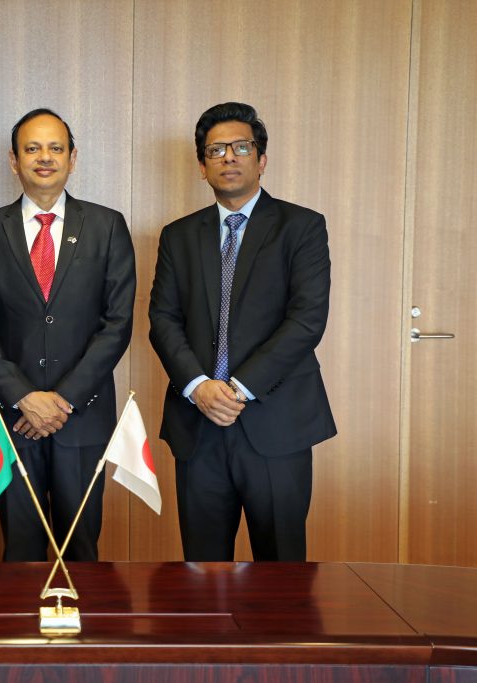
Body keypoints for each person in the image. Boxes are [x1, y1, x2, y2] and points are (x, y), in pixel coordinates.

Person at [148, 101, 337, 562]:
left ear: (261, 159)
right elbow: (163, 319)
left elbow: (306, 320)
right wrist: (199, 386)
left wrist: (237, 389)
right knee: (202, 568)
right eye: (216, 150)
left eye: (241, 147)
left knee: (281, 567)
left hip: (276, 421)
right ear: (202, 166)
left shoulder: (302, 227)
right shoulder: (178, 236)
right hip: (198, 423)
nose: (228, 157)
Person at [0, 109, 136, 562]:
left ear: (72, 158)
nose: (45, 158)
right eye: (32, 148)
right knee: (20, 551)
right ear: (13, 160)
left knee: (82, 547)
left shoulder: (107, 226)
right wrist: (24, 397)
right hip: (13, 419)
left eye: (56, 148)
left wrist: (63, 400)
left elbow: (117, 324)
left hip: (83, 414)